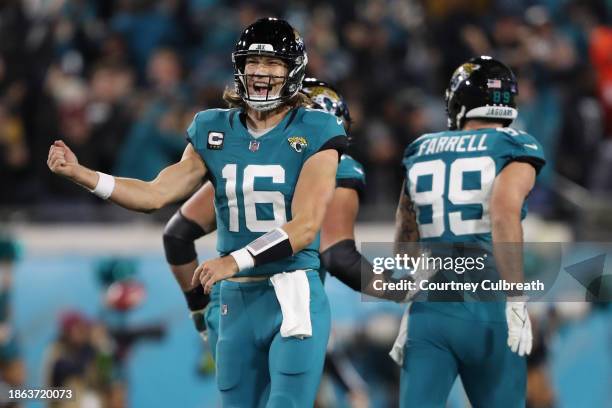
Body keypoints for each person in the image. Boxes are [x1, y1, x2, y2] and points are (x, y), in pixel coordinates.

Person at [48, 17, 347, 407]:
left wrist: (233, 261)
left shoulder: (317, 127)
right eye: (253, 61)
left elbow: (305, 226)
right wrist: (84, 175)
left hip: (291, 291)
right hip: (236, 302)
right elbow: (156, 194)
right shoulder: (212, 128)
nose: (260, 72)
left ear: (293, 71)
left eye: (272, 64)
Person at [393, 56, 546, 407]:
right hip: (488, 306)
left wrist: (407, 294)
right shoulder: (514, 145)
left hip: (429, 309)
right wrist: (517, 298)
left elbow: (405, 229)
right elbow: (504, 212)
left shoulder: (421, 149)